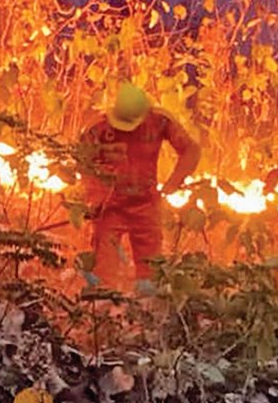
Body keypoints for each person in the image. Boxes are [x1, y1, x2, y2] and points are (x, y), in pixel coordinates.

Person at [79, 83, 200, 292]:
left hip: (146, 204)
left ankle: (146, 311)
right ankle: (102, 308)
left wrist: (174, 181)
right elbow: (83, 163)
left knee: (150, 268)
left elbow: (190, 150)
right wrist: (95, 197)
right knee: (103, 266)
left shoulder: (161, 121)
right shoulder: (97, 128)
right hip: (110, 207)